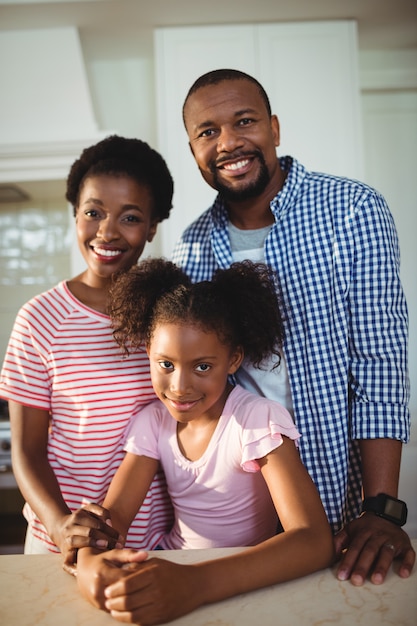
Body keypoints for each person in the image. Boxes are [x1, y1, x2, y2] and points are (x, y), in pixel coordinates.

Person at [171, 68, 415, 586]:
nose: (229, 142)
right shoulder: (190, 248)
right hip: (237, 522)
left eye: (244, 122)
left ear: (274, 129)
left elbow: (380, 364)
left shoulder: (353, 210)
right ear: (193, 150)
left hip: (342, 507)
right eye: (208, 132)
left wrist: (382, 508)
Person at [75, 257, 334, 625]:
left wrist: (194, 583)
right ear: (148, 353)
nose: (180, 387)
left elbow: (313, 540)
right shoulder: (152, 422)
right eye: (165, 364)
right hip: (170, 565)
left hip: (239, 581)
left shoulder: (255, 420)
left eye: (202, 366)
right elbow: (113, 518)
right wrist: (89, 564)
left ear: (234, 360)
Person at [0, 135, 174, 569]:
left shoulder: (171, 314)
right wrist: (59, 525)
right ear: (75, 214)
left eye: (130, 217)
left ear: (152, 226)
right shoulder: (40, 318)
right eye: (93, 212)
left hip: (154, 540)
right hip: (58, 541)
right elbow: (26, 450)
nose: (107, 232)